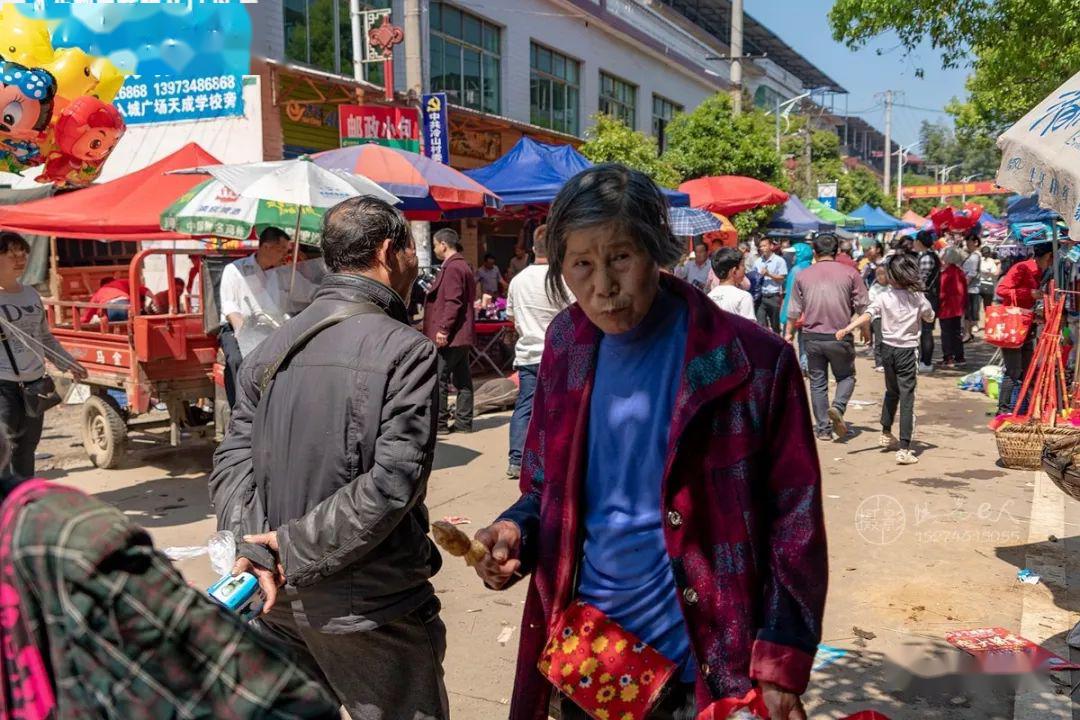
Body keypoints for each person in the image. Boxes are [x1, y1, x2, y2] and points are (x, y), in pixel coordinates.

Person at [470, 164, 826, 720]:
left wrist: (781, 661)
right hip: (592, 653)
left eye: (620, 258)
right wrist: (515, 530)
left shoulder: (752, 363)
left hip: (705, 661)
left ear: (658, 252)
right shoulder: (566, 344)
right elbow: (543, 488)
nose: (603, 286)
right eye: (581, 264)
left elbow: (794, 520)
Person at [210, 196, 450, 720]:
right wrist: (283, 548)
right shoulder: (408, 351)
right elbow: (392, 484)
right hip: (368, 610)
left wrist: (261, 550)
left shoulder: (270, 347)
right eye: (413, 250)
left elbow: (230, 463)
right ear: (393, 251)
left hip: (278, 598)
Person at [0, 232, 87, 484]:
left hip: (34, 385)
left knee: (26, 450)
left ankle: (23, 501)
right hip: (3, 385)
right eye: (10, 254)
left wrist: (68, 363)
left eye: (23, 253)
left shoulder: (31, 295)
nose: (20, 259)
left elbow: (44, 338)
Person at [835, 254, 935, 465]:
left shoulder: (883, 296)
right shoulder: (917, 297)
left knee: (892, 392)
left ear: (891, 276)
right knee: (907, 397)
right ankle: (905, 448)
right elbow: (929, 316)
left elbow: (868, 315)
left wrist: (848, 328)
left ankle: (886, 432)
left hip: (887, 350)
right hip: (907, 351)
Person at [218, 226, 316, 408]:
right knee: (236, 360)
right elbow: (230, 305)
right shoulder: (236, 269)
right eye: (281, 250)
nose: (283, 255)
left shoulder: (284, 273)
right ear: (266, 247)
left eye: (286, 251)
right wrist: (243, 333)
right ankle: (238, 408)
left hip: (273, 328)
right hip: (238, 326)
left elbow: (310, 292)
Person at [784, 233, 868, 441]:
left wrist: (788, 334)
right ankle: (838, 406)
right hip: (840, 336)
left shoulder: (803, 275)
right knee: (846, 376)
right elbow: (863, 306)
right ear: (837, 251)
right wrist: (866, 331)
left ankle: (822, 429)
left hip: (812, 337)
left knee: (817, 382)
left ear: (814, 252)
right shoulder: (850, 273)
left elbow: (793, 310)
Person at [505, 225, 571, 479]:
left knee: (525, 407)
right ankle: (555, 458)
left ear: (533, 249)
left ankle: (516, 460)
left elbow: (511, 315)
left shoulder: (518, 281)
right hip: (558, 355)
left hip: (528, 354)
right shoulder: (563, 279)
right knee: (559, 407)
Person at [424, 228, 477, 434]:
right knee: (462, 379)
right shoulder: (461, 265)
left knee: (440, 379)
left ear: (443, 245)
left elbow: (453, 301)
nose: (435, 248)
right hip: (460, 334)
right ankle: (464, 422)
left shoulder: (454, 268)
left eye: (436, 244)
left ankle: (440, 424)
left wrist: (443, 329)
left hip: (452, 335)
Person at [994, 243, 1053, 416]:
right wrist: (1029, 293)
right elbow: (1002, 290)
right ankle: (1003, 410)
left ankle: (1021, 407)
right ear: (1048, 255)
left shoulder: (1042, 272)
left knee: (1026, 371)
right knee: (1013, 370)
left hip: (1028, 326)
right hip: (1013, 325)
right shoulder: (1022, 267)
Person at [779, 242, 815, 373]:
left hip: (794, 312)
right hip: (809, 312)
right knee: (804, 342)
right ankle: (805, 366)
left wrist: (785, 316)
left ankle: (787, 367)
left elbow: (791, 295)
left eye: (794, 254)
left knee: (788, 339)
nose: (792, 257)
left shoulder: (796, 270)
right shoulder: (812, 268)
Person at [913, 231, 941, 373]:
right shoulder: (929, 256)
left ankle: (927, 361)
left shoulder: (926, 258)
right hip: (929, 296)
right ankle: (924, 360)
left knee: (926, 330)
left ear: (919, 242)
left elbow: (920, 281)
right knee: (925, 330)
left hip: (927, 297)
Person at [707, 246, 755, 320]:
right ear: (734, 271)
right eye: (742, 265)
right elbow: (749, 328)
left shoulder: (709, 297)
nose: (745, 268)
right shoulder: (744, 297)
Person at [939, 247, 968, 367]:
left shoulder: (946, 273)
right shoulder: (960, 272)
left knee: (946, 333)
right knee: (957, 333)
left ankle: (949, 357)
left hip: (946, 308)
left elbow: (942, 291)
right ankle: (959, 357)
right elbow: (965, 291)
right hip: (958, 308)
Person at [79, 277, 153, 324]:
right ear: (114, 280)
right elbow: (142, 289)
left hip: (110, 309)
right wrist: (154, 298)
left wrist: (79, 323)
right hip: (125, 305)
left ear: (101, 285)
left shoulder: (99, 292)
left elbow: (88, 313)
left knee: (116, 329)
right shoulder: (120, 282)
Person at [753, 237, 787, 332]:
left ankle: (777, 344)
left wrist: (769, 274)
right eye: (761, 246)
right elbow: (754, 277)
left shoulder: (779, 260)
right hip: (761, 297)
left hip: (774, 296)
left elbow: (782, 278)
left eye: (764, 246)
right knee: (761, 325)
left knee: (775, 325)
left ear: (771, 246)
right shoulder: (757, 262)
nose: (762, 248)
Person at [868, 264, 890, 372]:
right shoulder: (874, 288)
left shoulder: (892, 288)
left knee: (888, 340)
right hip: (878, 318)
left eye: (883, 274)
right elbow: (872, 302)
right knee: (879, 340)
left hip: (890, 318)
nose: (880, 277)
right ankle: (879, 362)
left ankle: (888, 361)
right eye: (878, 274)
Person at [962, 233, 983, 341]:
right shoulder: (971, 255)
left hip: (971, 289)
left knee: (969, 313)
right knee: (968, 313)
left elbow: (972, 273)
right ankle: (968, 333)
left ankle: (967, 334)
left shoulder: (975, 256)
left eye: (970, 241)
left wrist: (963, 284)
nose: (968, 243)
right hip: (970, 288)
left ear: (975, 242)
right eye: (967, 241)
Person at [978, 246, 1001, 315]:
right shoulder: (991, 261)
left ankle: (975, 324)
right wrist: (999, 265)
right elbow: (995, 273)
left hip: (978, 285)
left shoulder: (978, 260)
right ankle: (987, 323)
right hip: (988, 286)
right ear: (989, 253)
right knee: (987, 308)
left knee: (976, 308)